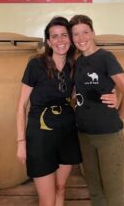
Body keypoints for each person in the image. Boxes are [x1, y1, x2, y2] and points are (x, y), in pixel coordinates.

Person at [16, 16, 117, 206]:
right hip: (40, 136)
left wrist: (114, 94)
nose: (60, 40)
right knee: (46, 198)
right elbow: (21, 105)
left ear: (70, 39)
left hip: (67, 134)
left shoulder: (75, 65)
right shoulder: (36, 64)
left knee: (60, 188)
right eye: (54, 36)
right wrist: (21, 142)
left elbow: (91, 89)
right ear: (48, 41)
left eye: (64, 35)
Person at [69, 14, 124, 206]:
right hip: (84, 135)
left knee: (113, 191)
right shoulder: (78, 62)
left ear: (93, 33)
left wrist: (117, 118)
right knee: (94, 189)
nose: (81, 38)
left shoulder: (106, 58)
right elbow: (80, 93)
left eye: (85, 32)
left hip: (108, 136)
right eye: (75, 34)